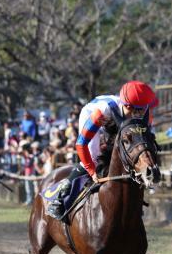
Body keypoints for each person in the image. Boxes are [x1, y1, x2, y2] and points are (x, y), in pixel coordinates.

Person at [46, 80, 159, 219]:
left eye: (140, 110)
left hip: (116, 120)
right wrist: (91, 170)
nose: (135, 115)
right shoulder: (101, 112)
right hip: (97, 117)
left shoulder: (147, 114)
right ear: (125, 105)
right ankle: (59, 197)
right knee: (94, 155)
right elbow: (81, 144)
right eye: (132, 109)